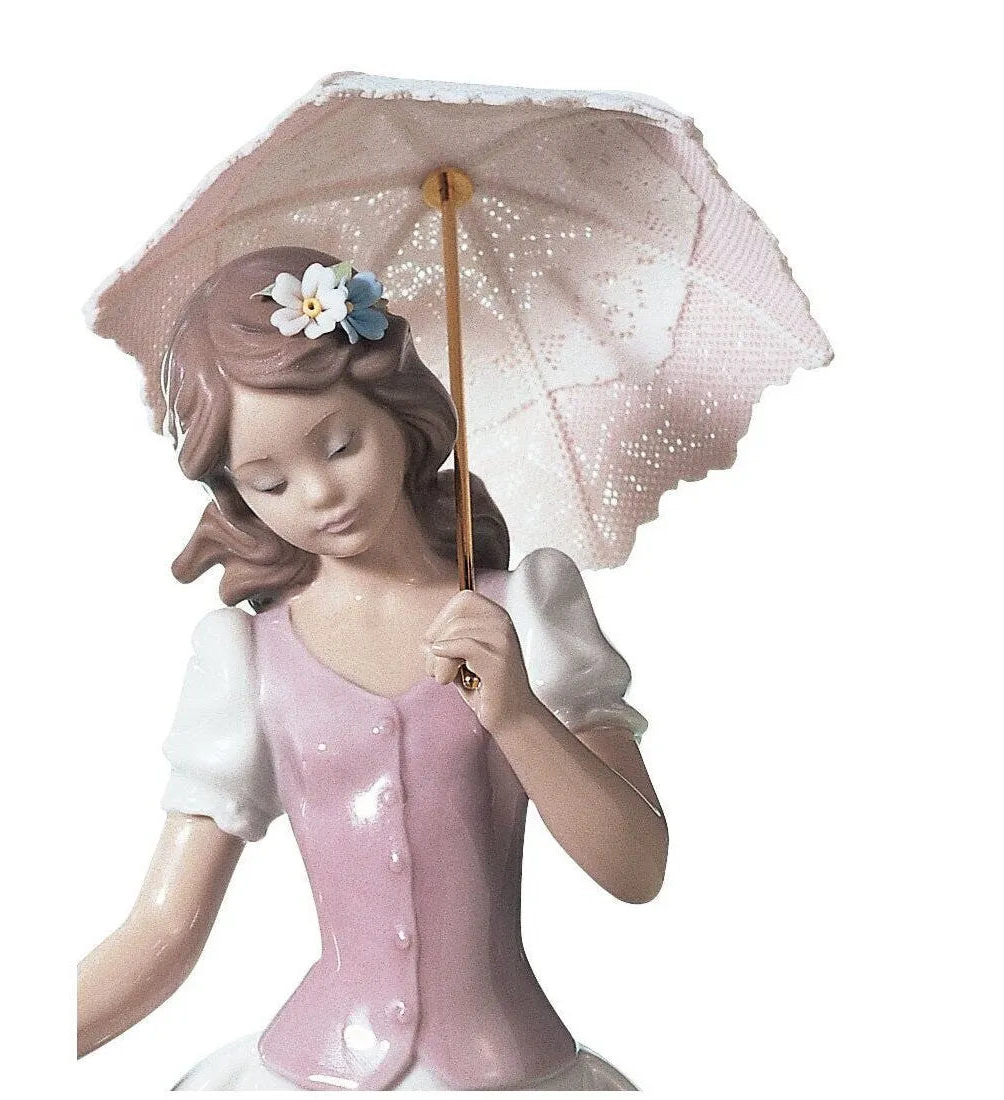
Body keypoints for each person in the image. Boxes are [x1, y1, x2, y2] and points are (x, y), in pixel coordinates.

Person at [76, 246, 669, 1091]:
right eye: (270, 482)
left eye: (340, 443)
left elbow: (637, 867)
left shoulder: (527, 611)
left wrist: (517, 714)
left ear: (398, 409)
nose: (319, 494)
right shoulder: (244, 660)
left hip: (509, 1067)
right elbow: (164, 930)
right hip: (313, 1070)